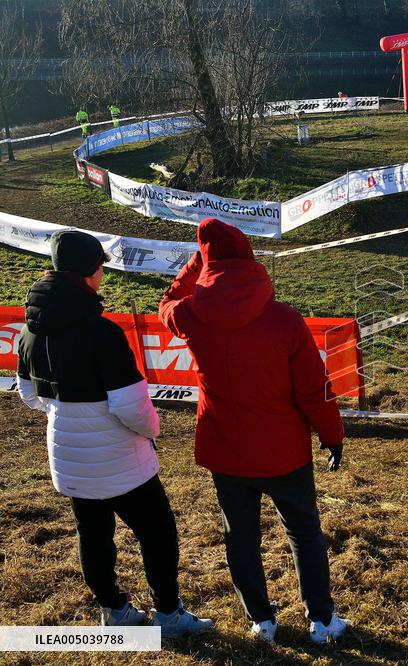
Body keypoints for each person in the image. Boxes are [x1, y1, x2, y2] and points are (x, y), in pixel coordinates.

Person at [159, 218, 349, 644]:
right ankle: (322, 620)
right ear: (251, 260)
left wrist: (193, 270)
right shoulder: (285, 320)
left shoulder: (191, 316)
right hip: (284, 451)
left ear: (207, 264)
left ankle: (261, 620)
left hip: (225, 451)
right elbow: (315, 392)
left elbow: (166, 302)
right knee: (304, 531)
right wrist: (332, 436)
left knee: (240, 536)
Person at [16, 230, 213, 636]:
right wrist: (153, 430)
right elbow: (131, 407)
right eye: (101, 266)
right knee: (157, 532)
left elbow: (27, 393)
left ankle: (113, 610)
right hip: (122, 458)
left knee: (93, 535)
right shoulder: (103, 332)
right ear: (91, 272)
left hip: (68, 456)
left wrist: (61, 412)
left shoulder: (27, 332)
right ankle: (169, 613)